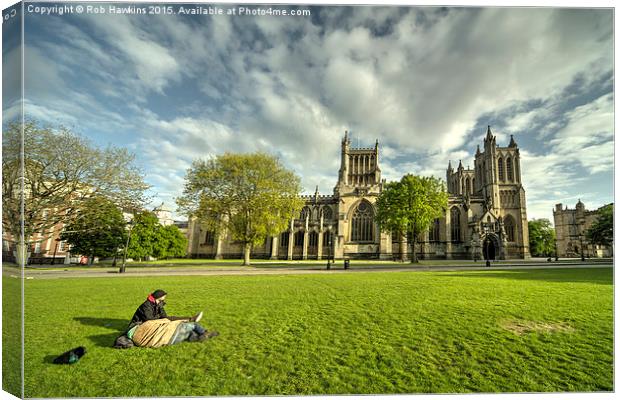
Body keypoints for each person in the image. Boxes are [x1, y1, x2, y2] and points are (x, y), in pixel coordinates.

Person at [127, 289, 218, 345]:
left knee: (170, 318)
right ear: (155, 298)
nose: (162, 301)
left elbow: (164, 316)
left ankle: (192, 320)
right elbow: (149, 319)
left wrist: (162, 310)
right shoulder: (146, 306)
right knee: (169, 321)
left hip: (154, 321)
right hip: (140, 324)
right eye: (160, 300)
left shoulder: (158, 304)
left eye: (163, 300)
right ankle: (200, 331)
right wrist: (163, 319)